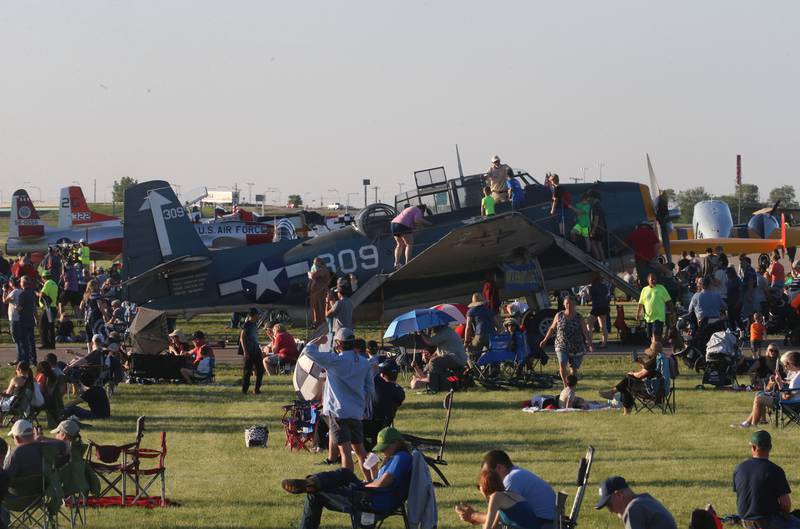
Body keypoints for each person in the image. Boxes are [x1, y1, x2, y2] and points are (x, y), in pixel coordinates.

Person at [282, 426, 412, 529]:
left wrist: (363, 486)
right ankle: (312, 481)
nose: (383, 451)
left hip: (371, 500)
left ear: (396, 443)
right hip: (375, 496)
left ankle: (313, 482)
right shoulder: (395, 458)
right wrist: (373, 468)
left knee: (315, 493)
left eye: (385, 448)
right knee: (346, 473)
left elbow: (382, 484)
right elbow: (378, 482)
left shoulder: (401, 457)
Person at [304, 329, 374, 478]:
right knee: (361, 451)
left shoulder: (335, 360)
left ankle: (348, 483)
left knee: (345, 452)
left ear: (339, 344)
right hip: (356, 412)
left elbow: (308, 351)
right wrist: (364, 407)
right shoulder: (364, 363)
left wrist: (318, 341)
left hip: (338, 412)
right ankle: (371, 480)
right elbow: (369, 389)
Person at [456, 450, 556, 527]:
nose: (487, 479)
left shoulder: (511, 479)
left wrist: (473, 515)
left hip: (544, 524)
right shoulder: (517, 474)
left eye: (488, 475)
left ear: (499, 468)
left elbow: (496, 519)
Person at [733, 430, 800, 529]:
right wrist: (785, 516)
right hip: (768, 522)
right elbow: (786, 504)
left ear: (754, 447)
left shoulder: (739, 468)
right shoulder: (775, 470)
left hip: (745, 521)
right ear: (770, 448)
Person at [734, 351, 800, 429]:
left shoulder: (795, 380)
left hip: (791, 404)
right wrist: (782, 381)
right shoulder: (797, 375)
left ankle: (752, 425)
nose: (785, 367)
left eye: (786, 365)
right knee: (760, 394)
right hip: (796, 400)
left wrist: (779, 383)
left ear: (791, 364)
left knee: (759, 399)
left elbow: (786, 397)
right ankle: (748, 423)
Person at [540, 296, 592, 387]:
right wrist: (545, 339)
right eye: (567, 303)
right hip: (561, 344)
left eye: (571, 303)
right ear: (564, 304)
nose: (569, 305)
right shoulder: (559, 315)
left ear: (574, 305)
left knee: (573, 368)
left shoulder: (579, 317)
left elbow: (585, 331)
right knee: (562, 364)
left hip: (576, 346)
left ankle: (572, 386)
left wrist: (589, 344)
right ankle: (565, 386)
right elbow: (552, 328)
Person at [599, 343, 662, 415]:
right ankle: (613, 394)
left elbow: (640, 375)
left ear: (653, 353)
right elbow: (648, 372)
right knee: (627, 382)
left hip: (650, 390)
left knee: (627, 381)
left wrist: (632, 374)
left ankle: (615, 396)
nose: (648, 355)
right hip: (658, 388)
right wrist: (642, 363)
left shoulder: (653, 362)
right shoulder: (660, 360)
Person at [594, 475, 676, 529]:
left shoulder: (634, 508)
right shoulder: (644, 499)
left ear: (619, 495)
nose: (611, 511)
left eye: (609, 505)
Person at [471, 468, 541, 529]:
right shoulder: (508, 495)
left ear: (484, 486)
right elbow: (495, 527)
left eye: (479, 486)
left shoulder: (496, 497)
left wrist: (473, 516)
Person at [415, 324, 468, 393]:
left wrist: (421, 332)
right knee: (433, 361)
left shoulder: (445, 332)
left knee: (434, 362)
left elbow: (430, 342)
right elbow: (439, 350)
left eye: (432, 326)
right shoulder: (447, 331)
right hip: (458, 358)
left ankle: (433, 387)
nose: (431, 328)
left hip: (456, 358)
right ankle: (442, 385)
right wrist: (431, 357)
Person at [390, 204, 432, 269]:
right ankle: (407, 263)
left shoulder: (410, 209)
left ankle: (396, 263)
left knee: (400, 244)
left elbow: (411, 221)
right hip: (402, 225)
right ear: (422, 210)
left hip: (393, 224)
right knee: (409, 244)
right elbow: (417, 220)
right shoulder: (418, 210)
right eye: (423, 213)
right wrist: (428, 223)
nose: (422, 214)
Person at [636, 273, 672, 341]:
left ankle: (656, 348)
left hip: (658, 317)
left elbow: (668, 300)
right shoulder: (644, 290)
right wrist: (637, 314)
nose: (654, 281)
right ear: (648, 280)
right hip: (648, 317)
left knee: (656, 334)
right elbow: (641, 303)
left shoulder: (661, 288)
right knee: (651, 336)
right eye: (652, 279)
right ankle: (655, 349)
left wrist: (672, 311)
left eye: (655, 279)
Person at [465, 293, 499, 357]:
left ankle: (475, 365)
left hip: (479, 335)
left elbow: (468, 327)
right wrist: (497, 334)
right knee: (493, 354)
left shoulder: (471, 311)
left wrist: (466, 341)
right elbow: (497, 324)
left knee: (472, 354)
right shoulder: (489, 310)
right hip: (492, 335)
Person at [240, 308, 264, 394]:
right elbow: (241, 338)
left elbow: (255, 339)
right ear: (253, 315)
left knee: (260, 370)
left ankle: (257, 389)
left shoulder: (255, 325)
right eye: (257, 314)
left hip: (256, 350)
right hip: (249, 351)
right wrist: (245, 351)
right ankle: (244, 390)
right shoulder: (246, 325)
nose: (259, 316)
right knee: (247, 371)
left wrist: (259, 349)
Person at [3, 277, 24, 366]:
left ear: (11, 283)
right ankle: (22, 357)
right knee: (21, 339)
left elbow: (5, 300)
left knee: (17, 340)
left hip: (14, 318)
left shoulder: (14, 292)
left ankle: (19, 359)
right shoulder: (20, 291)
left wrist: (4, 290)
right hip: (20, 317)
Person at [16, 276, 37, 365]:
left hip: (23, 319)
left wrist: (15, 307)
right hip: (30, 319)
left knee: (24, 341)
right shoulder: (32, 292)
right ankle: (34, 359)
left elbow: (20, 307)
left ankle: (26, 360)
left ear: (22, 283)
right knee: (31, 341)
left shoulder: (22, 294)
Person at [308, 258, 332, 328]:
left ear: (320, 263)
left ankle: (323, 323)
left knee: (321, 308)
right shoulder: (317, 271)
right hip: (315, 293)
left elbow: (312, 276)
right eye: (314, 263)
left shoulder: (323, 270)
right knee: (315, 308)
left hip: (322, 293)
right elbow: (311, 275)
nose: (314, 265)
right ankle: (316, 322)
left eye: (316, 263)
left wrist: (310, 274)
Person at [588, 274, 610, 348]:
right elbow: (606, 294)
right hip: (604, 306)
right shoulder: (604, 286)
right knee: (603, 326)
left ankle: (590, 343)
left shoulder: (591, 287)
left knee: (589, 325)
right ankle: (604, 343)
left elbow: (589, 297)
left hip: (596, 307)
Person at [38, 270, 58, 349]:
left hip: (48, 308)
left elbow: (43, 293)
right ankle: (52, 344)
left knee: (43, 326)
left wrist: (38, 293)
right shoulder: (54, 283)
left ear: (43, 277)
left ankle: (45, 343)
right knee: (51, 327)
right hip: (53, 307)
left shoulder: (48, 283)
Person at [588, 191, 607, 261]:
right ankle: (603, 261)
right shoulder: (599, 205)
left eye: (589, 197)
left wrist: (592, 231)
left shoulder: (595, 206)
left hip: (596, 229)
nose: (589, 199)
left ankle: (599, 260)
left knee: (593, 243)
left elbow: (595, 220)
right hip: (600, 229)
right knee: (599, 244)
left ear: (593, 197)